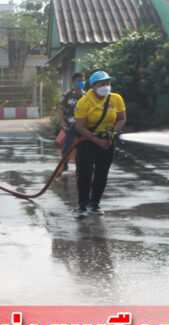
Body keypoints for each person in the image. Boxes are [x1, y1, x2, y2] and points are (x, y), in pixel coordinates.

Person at [73, 70, 126, 217]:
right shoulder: (84, 102)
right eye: (102, 84)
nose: (106, 86)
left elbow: (121, 119)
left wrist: (112, 132)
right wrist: (97, 140)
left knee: (102, 173)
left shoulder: (116, 99)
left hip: (107, 140)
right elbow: (80, 126)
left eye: (108, 83)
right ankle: (82, 205)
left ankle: (95, 204)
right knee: (85, 172)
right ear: (94, 86)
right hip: (88, 140)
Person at [57, 72, 86, 173]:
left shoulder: (86, 95)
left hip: (83, 127)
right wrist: (62, 122)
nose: (81, 82)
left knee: (82, 149)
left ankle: (80, 168)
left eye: (83, 80)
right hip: (70, 126)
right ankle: (64, 165)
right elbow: (61, 108)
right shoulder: (67, 94)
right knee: (67, 147)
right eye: (79, 81)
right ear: (73, 82)